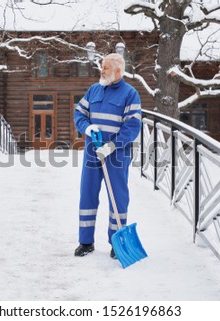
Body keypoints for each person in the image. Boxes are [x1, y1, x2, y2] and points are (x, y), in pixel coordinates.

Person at [73, 53, 142, 258]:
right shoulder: (94, 90)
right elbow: (79, 114)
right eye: (101, 66)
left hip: (116, 155)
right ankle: (86, 242)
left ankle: (117, 242)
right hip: (92, 151)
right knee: (87, 193)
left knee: (118, 198)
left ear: (119, 71)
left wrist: (112, 146)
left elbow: (132, 126)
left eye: (105, 67)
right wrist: (88, 127)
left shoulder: (130, 94)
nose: (101, 70)